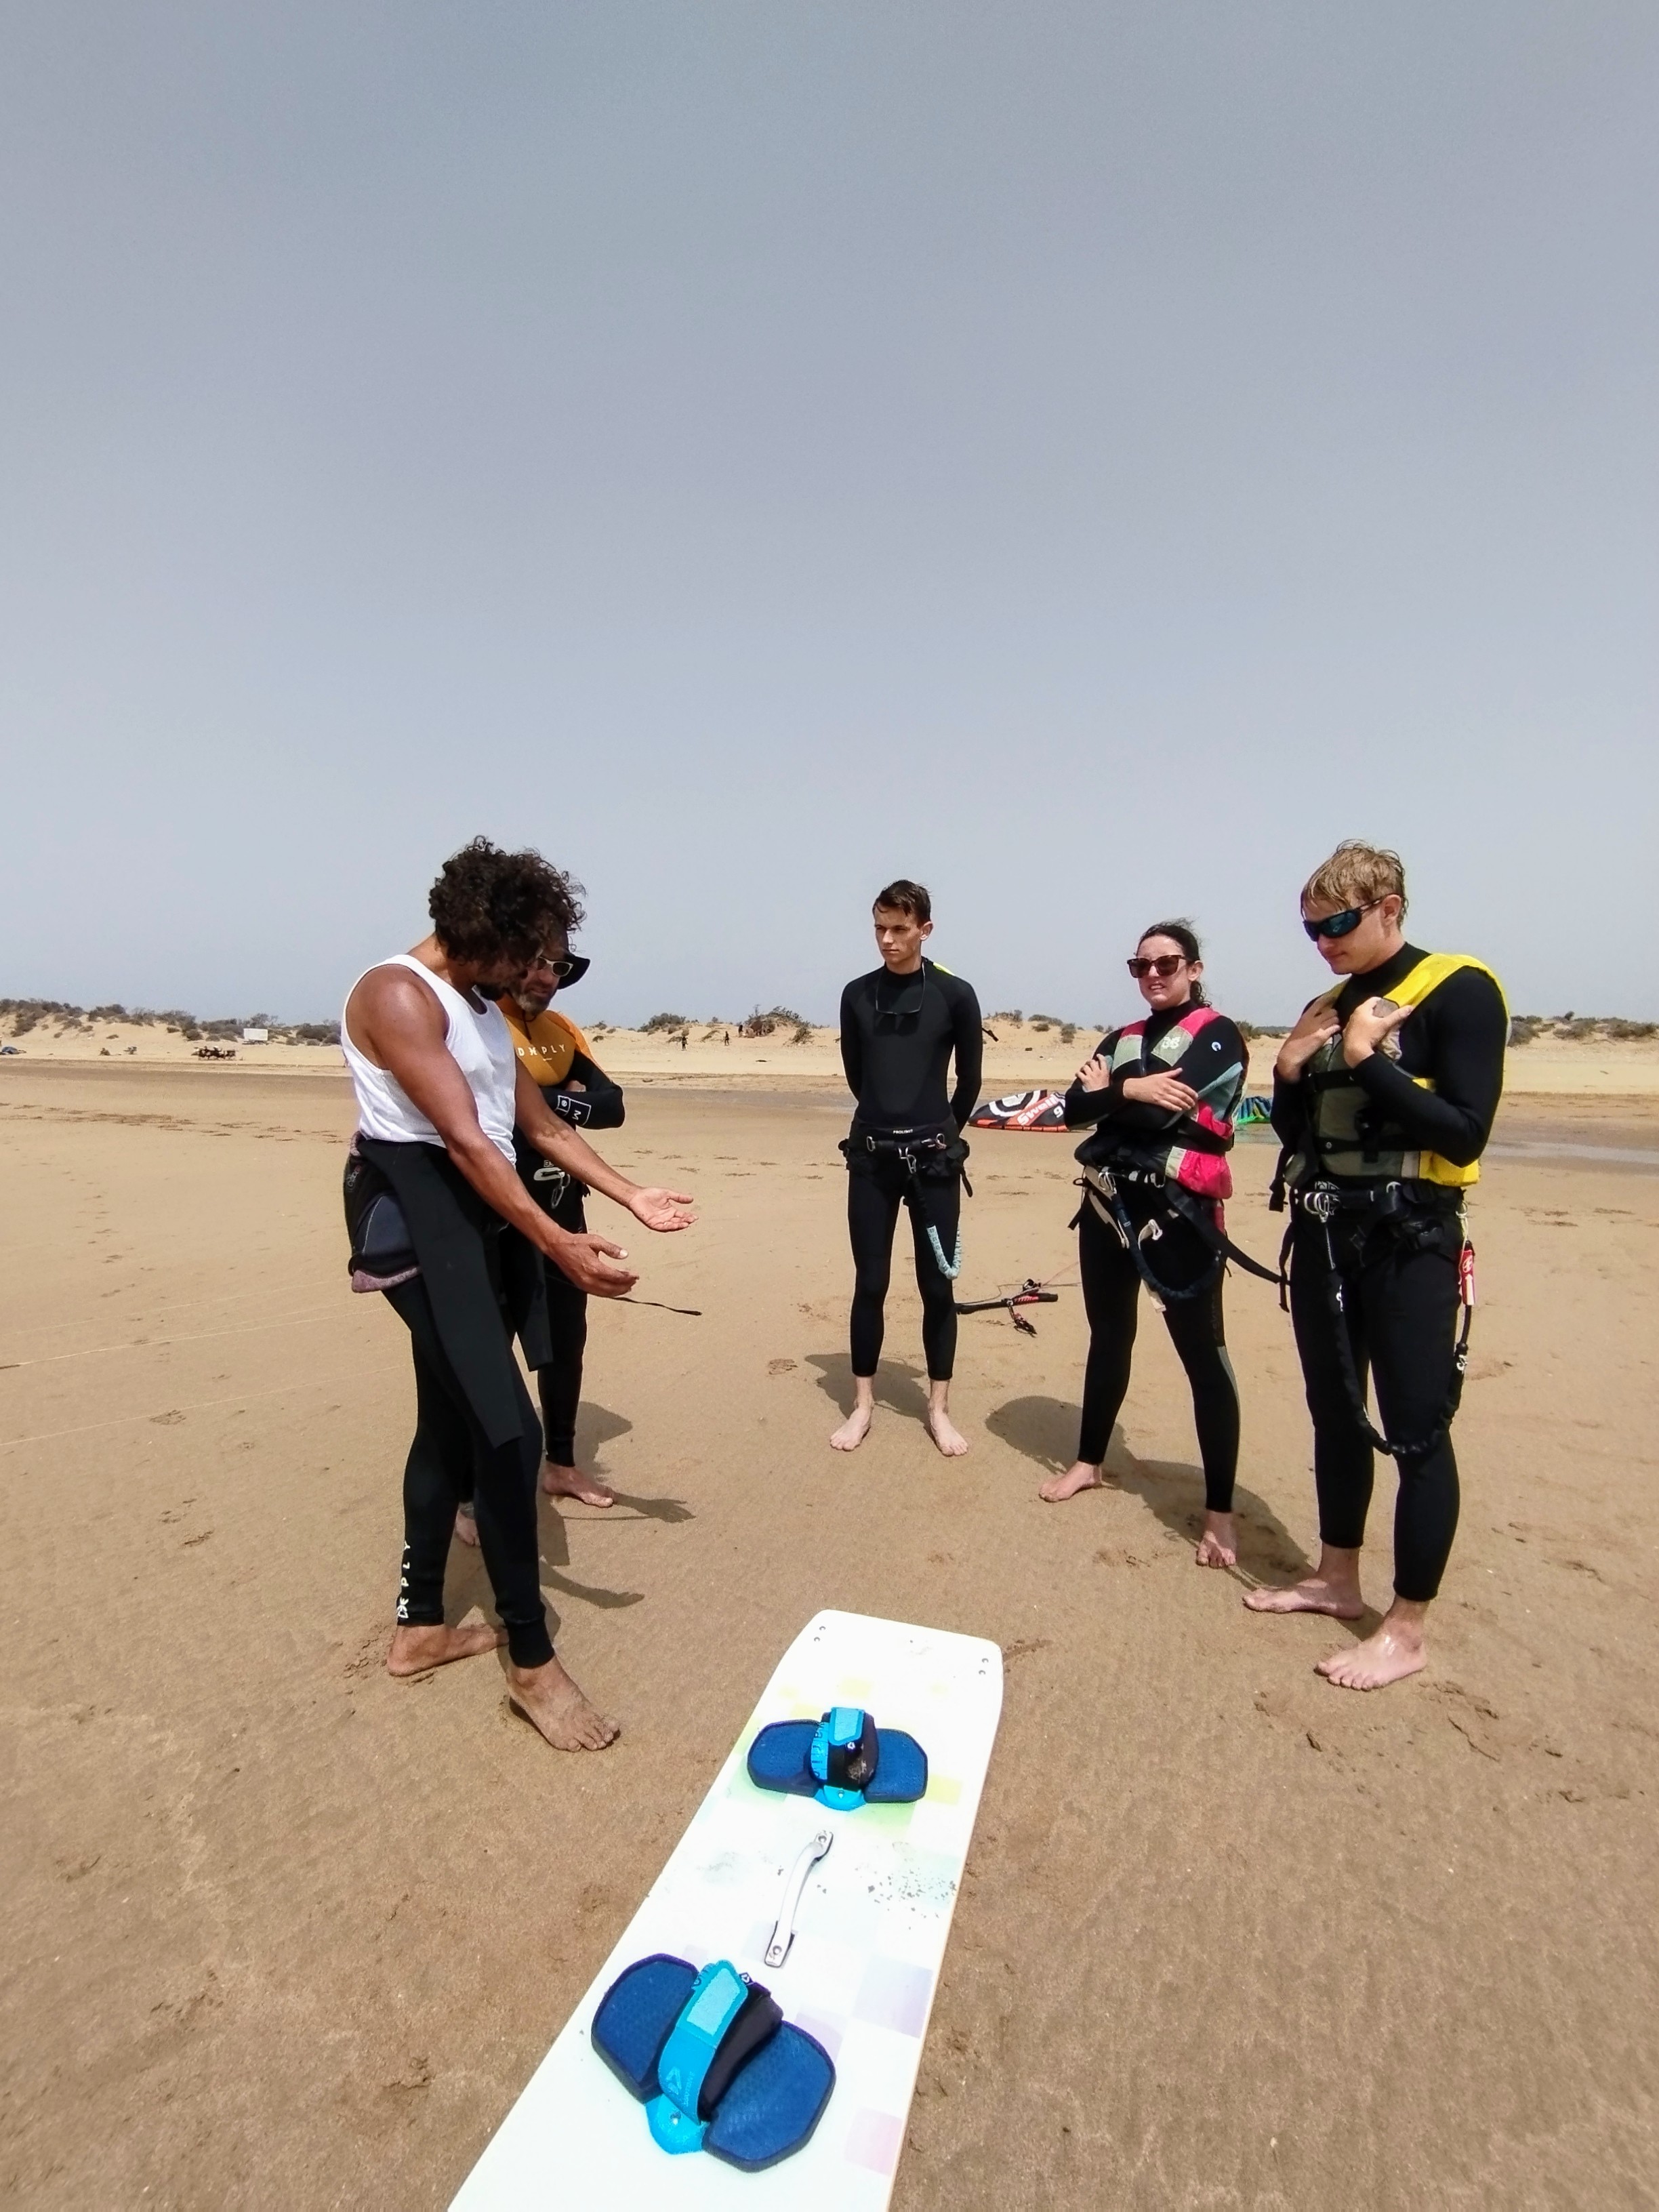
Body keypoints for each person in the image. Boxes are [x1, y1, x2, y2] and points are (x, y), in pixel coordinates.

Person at [341, 838, 695, 1750]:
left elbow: (531, 1124)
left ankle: (420, 1629)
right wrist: (560, 1246)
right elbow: (463, 1141)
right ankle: (531, 1663)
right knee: (509, 1429)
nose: (539, 973)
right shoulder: (397, 995)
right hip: (418, 1217)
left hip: (478, 1211)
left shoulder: (480, 1005)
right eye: (527, 954)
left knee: (447, 1422)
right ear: (478, 934)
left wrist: (628, 1194)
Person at [1244, 841, 1506, 1690]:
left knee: (1418, 1432)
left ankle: (1407, 1627)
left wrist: (1364, 1060)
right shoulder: (1328, 1003)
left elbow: (1463, 1131)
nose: (1324, 943)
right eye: (1313, 929)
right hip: (1326, 1238)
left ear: (1390, 907)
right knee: (1336, 1414)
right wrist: (1289, 1074)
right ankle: (1336, 1576)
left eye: (1340, 925)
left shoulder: (1459, 991)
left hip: (1410, 1243)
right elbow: (1306, 1136)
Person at [1039, 922, 1257, 1568]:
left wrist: (1110, 1095)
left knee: (1203, 1356)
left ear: (1193, 968)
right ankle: (1090, 1462)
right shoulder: (1124, 1038)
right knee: (1108, 1336)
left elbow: (1168, 1113)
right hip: (1108, 1205)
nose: (1153, 974)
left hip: (1180, 1214)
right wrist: (1130, 1089)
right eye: (1140, 965)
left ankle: (1219, 1512)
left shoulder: (1218, 1035)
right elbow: (1072, 1110)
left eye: (1166, 963)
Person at [832, 880, 982, 1456]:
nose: (887, 941)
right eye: (879, 928)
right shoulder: (855, 994)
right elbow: (857, 1074)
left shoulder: (956, 994)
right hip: (871, 1159)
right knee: (870, 1283)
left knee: (936, 1287)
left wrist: (944, 1135)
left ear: (925, 929)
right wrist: (884, 1124)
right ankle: (863, 1404)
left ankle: (938, 1409)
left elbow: (969, 1080)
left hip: (934, 1162)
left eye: (899, 929)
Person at [483, 939, 628, 1517]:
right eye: (537, 962)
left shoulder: (562, 1031)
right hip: (497, 1215)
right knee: (488, 1351)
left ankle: (561, 1464)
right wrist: (561, 1098)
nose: (547, 978)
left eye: (558, 968)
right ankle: (471, 1492)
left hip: (566, 1210)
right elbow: (489, 1103)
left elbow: (613, 1106)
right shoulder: (483, 1022)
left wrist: (550, 1104)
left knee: (568, 1341)